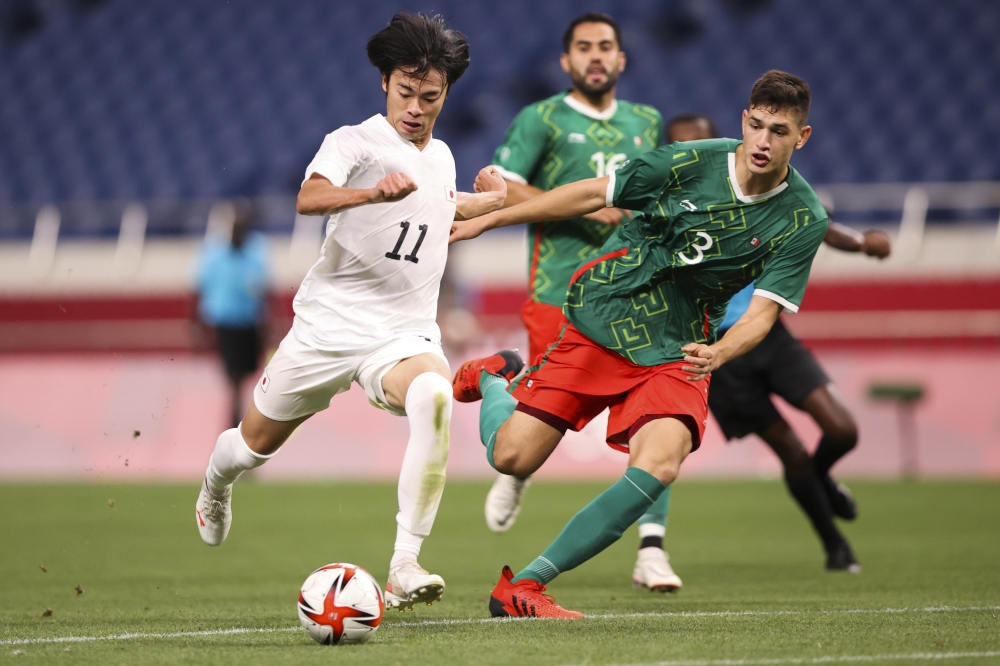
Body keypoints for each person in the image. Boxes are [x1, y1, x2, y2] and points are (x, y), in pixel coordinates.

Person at [450, 70, 828, 618]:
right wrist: (496, 218)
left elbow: (764, 313)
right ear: (745, 121)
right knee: (511, 457)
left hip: (680, 348)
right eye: (758, 125)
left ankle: (526, 586)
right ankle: (492, 377)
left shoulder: (803, 217)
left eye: (781, 130)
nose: (765, 141)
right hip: (609, 317)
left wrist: (720, 352)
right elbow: (588, 195)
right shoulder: (687, 162)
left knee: (661, 463)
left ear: (803, 137)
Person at [193, 12, 507, 612]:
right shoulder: (353, 143)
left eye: (430, 96)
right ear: (384, 84)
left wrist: (492, 198)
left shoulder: (439, 156)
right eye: (405, 91)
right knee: (252, 445)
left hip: (403, 334)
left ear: (446, 94)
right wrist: (369, 192)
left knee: (435, 397)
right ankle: (215, 483)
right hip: (327, 329)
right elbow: (308, 196)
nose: (416, 106)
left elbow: (443, 205)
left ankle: (404, 565)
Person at [483, 12, 681, 592]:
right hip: (559, 297)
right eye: (584, 48)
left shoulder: (647, 122)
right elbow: (497, 180)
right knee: (536, 431)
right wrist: (582, 203)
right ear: (566, 62)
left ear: (622, 59)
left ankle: (651, 549)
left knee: (658, 419)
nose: (596, 56)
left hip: (636, 297)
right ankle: (515, 464)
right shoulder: (540, 118)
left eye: (607, 47)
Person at [665, 113, 891, 573]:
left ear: (719, 146)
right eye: (676, 147)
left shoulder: (759, 191)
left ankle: (823, 477)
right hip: (715, 354)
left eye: (696, 144)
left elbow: (816, 224)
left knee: (842, 430)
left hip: (766, 333)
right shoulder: (665, 205)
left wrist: (861, 243)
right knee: (790, 452)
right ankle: (835, 546)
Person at [193, 200, 270, 429]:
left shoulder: (257, 250)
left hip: (249, 323)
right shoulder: (213, 251)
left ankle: (236, 424)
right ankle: (235, 426)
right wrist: (197, 326)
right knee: (234, 377)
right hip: (225, 323)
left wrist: (271, 323)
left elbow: (265, 288)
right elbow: (199, 288)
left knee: (246, 376)